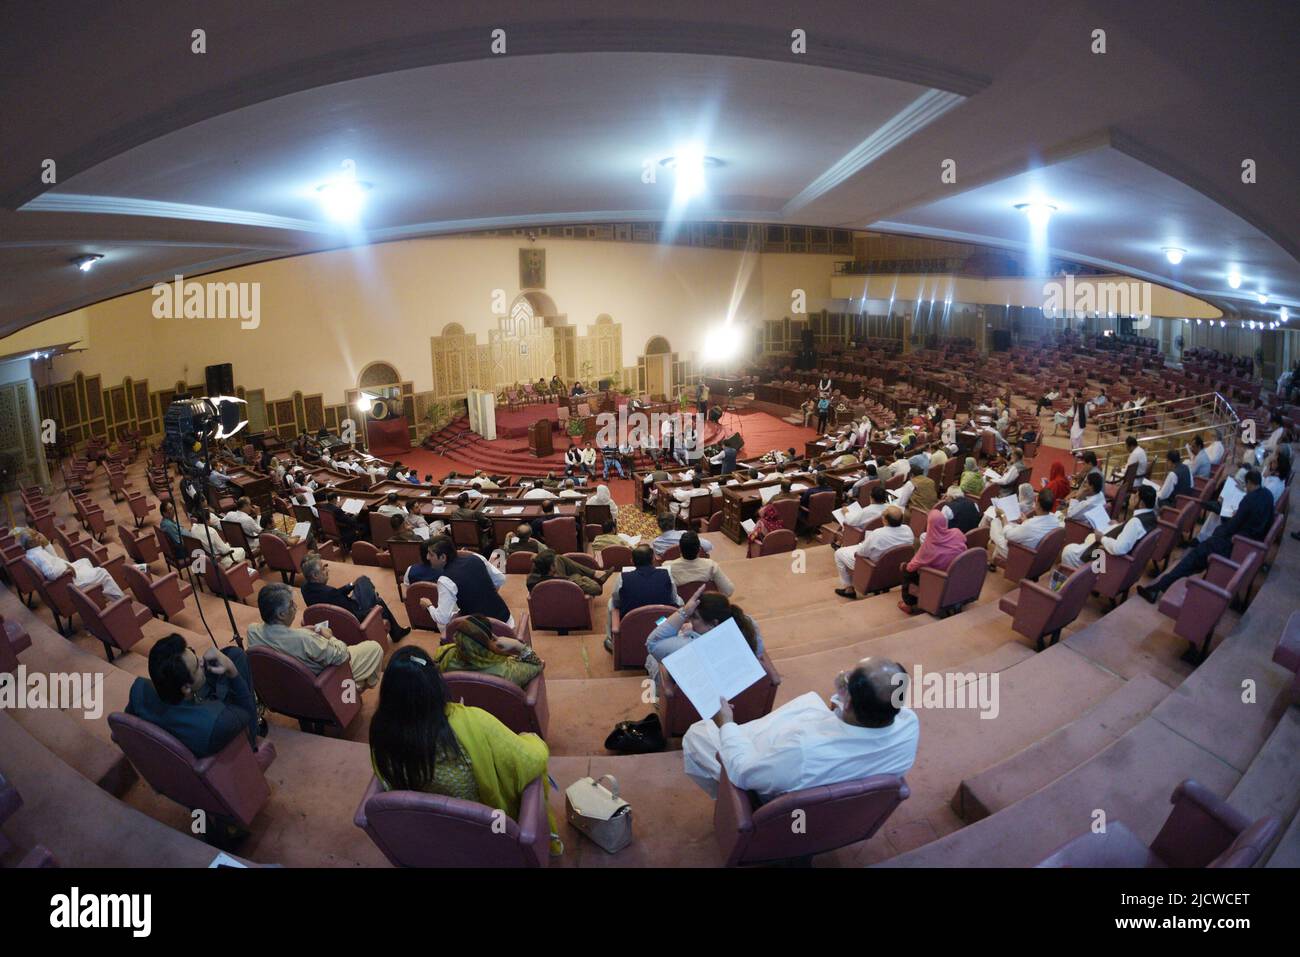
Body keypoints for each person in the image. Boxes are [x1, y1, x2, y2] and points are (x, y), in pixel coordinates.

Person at [369, 646, 562, 857]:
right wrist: (532, 739)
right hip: (487, 828)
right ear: (435, 683)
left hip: (428, 835)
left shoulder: (379, 732)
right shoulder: (472, 721)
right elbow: (532, 760)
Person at [681, 657, 919, 801]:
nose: (844, 674)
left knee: (698, 733)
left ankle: (730, 802)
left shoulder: (803, 750)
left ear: (848, 704)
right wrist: (844, 693)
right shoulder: (909, 722)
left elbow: (742, 771)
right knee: (811, 700)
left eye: (850, 675)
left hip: (783, 789)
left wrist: (728, 723)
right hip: (837, 774)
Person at [1137, 470, 1273, 608]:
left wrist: (1223, 526)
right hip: (1247, 544)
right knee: (1195, 557)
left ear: (1249, 483)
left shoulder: (1249, 499)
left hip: (1233, 544)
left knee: (1194, 556)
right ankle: (1161, 585)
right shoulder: (1268, 495)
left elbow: (1232, 526)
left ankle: (1159, 587)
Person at [127, 634, 262, 759]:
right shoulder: (219, 723)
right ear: (186, 688)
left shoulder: (138, 689)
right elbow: (248, 715)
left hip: (189, 713)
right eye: (197, 666)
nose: (202, 662)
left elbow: (127, 726)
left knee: (235, 654)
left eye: (193, 652)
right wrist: (232, 671)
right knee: (237, 659)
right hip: (211, 726)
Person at [247, 581, 384, 687]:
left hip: (290, 684)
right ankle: (355, 686)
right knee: (374, 647)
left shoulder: (252, 631)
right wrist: (331, 637)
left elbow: (280, 641)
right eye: (291, 604)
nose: (295, 606)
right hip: (327, 677)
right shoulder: (306, 640)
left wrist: (302, 631)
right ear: (281, 614)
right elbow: (342, 656)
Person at [644, 590, 761, 685]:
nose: (689, 620)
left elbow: (653, 643)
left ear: (714, 624)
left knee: (652, 659)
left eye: (694, 617)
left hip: (691, 697)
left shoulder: (689, 646)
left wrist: (684, 612)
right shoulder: (748, 626)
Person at [300, 554, 410, 642]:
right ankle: (396, 632)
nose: (327, 570)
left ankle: (396, 632)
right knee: (369, 588)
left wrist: (350, 585)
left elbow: (335, 595)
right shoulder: (329, 593)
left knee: (360, 582)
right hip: (355, 615)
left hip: (333, 619)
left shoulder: (305, 588)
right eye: (324, 569)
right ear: (315, 575)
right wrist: (373, 607)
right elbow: (352, 615)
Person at [416, 536, 514, 630]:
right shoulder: (476, 558)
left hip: (485, 633)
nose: (427, 557)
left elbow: (442, 618)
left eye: (431, 554)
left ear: (443, 557)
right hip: (507, 622)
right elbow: (500, 579)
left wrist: (429, 606)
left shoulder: (445, 580)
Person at [17, 528, 133, 601]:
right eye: (37, 535)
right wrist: (66, 567)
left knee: (85, 561)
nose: (40, 536)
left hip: (65, 576)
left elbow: (54, 558)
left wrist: (46, 543)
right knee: (102, 572)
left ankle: (96, 593)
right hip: (68, 580)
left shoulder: (32, 553)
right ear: (32, 541)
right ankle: (121, 601)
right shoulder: (39, 555)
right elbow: (51, 573)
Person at [1060, 484, 1158, 569]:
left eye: (1136, 496)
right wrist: (1118, 525)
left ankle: (1075, 583)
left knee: (1068, 552)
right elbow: (1130, 534)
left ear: (1141, 504)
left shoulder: (1135, 522)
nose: (1131, 497)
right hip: (1115, 556)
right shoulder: (1151, 516)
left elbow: (1119, 548)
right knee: (1089, 538)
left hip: (1106, 562)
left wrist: (1101, 538)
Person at [604, 543, 681, 651]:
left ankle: (611, 640)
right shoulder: (666, 574)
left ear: (632, 561)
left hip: (632, 623)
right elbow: (673, 599)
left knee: (611, 602)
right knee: (679, 600)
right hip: (661, 622)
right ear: (653, 559)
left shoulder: (622, 578)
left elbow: (617, 601)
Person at [432, 615, 543, 688]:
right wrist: (517, 645)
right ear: (490, 640)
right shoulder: (506, 672)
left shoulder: (444, 653)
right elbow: (537, 664)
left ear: (458, 638)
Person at [896, 509, 968, 614]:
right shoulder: (957, 533)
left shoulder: (929, 546)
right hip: (956, 575)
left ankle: (909, 603)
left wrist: (905, 567)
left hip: (938, 578)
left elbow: (911, 567)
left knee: (907, 569)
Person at [834, 506, 915, 599]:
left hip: (872, 565)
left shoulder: (878, 534)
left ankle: (849, 589)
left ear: (885, 520)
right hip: (894, 566)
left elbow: (861, 553)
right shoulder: (908, 530)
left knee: (839, 553)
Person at [985, 486, 1059, 566]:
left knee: (996, 522)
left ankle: (992, 556)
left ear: (1037, 504)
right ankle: (993, 560)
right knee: (1009, 525)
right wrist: (1025, 521)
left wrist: (1003, 516)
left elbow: (1008, 535)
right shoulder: (1055, 520)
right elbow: (1036, 528)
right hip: (1037, 553)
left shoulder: (1030, 525)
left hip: (1020, 552)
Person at [664, 531, 735, 597]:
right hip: (707, 607)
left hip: (680, 608)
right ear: (699, 549)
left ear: (679, 549)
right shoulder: (711, 565)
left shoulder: (667, 567)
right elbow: (729, 591)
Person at [526, 548, 610, 597]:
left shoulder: (531, 580)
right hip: (564, 589)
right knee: (560, 559)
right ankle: (596, 576)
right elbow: (597, 590)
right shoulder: (567, 582)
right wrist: (581, 577)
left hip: (549, 579)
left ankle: (595, 573)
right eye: (553, 562)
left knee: (559, 557)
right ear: (552, 567)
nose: (555, 561)